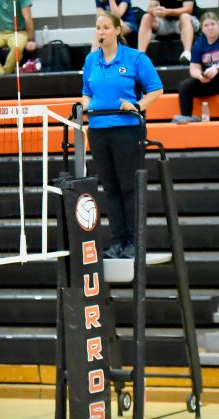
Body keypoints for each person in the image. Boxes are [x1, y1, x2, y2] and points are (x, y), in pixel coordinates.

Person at [83, 12, 163, 259]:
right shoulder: (91, 60)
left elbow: (156, 90)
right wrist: (84, 105)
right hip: (97, 130)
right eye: (98, 28)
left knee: (129, 187)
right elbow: (86, 91)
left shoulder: (136, 58)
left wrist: (137, 105)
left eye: (106, 27)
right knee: (110, 188)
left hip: (127, 130)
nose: (101, 32)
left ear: (118, 30)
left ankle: (134, 242)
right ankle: (117, 242)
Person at [172, 12, 219, 123]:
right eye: (206, 25)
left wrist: (216, 69)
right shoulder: (199, 44)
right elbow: (194, 68)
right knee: (185, 86)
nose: (210, 28)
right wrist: (200, 76)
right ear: (202, 28)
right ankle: (186, 116)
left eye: (213, 24)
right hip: (210, 81)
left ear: (218, 24)